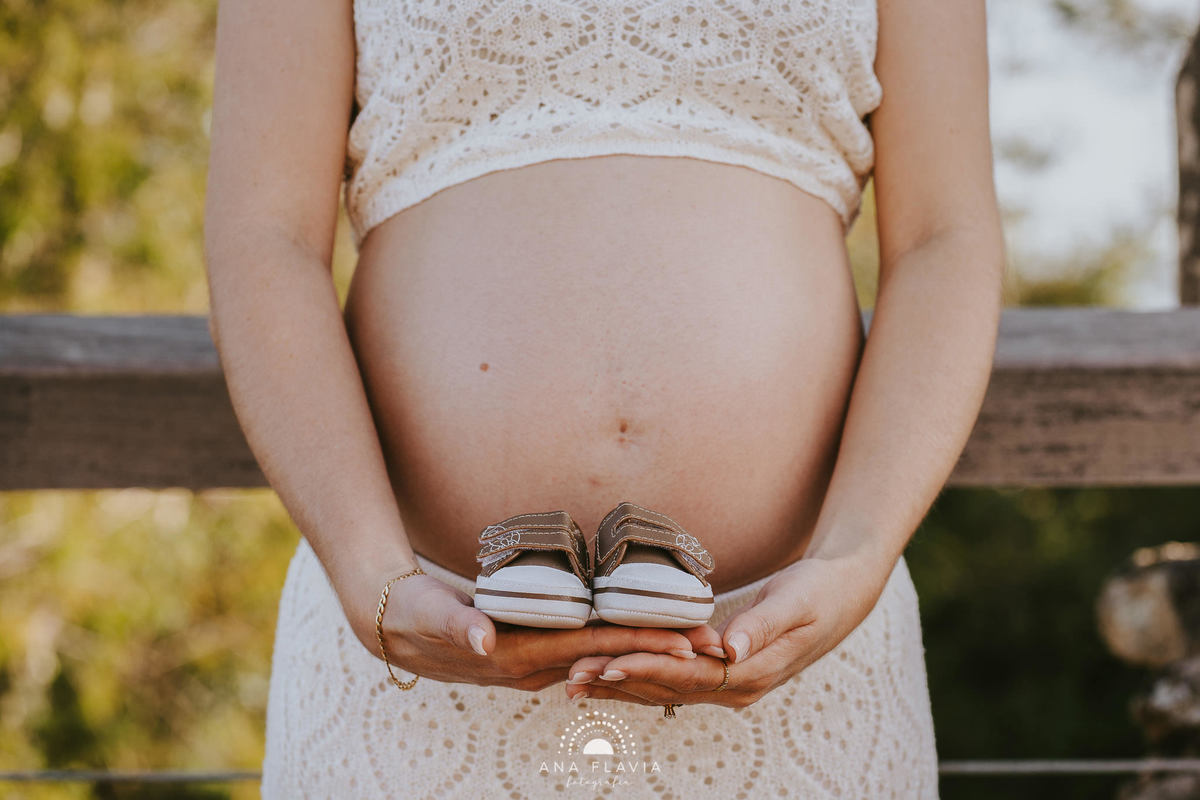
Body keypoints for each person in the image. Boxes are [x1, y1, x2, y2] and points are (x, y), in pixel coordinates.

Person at [202, 0, 1004, 794]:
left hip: (797, 643)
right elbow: (266, 234)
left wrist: (855, 560)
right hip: (416, 648)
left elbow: (943, 236)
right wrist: (370, 573)